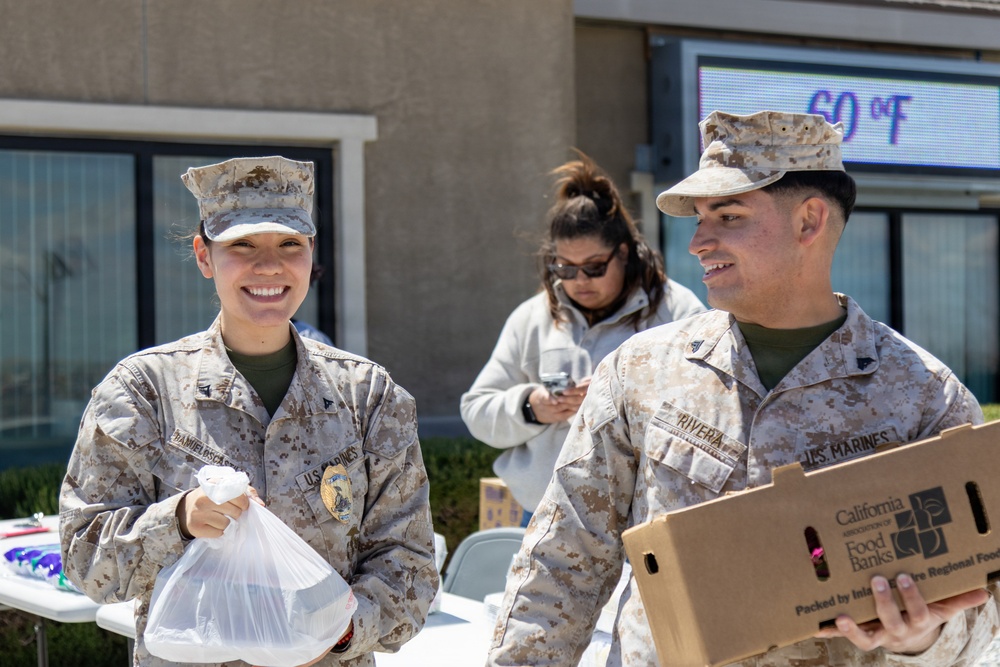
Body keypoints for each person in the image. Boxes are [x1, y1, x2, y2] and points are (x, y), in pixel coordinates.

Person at [487, 111, 1000, 666]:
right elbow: (562, 564)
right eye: (700, 219)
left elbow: (983, 616)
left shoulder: (926, 398)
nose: (698, 243)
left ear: (809, 221)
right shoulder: (641, 371)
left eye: (727, 216)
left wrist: (921, 639)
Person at [59, 156, 438, 667]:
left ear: (310, 255)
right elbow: (86, 558)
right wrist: (178, 520)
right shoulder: (142, 392)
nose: (269, 266)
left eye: (290, 245)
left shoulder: (368, 396)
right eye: (242, 245)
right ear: (203, 256)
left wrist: (341, 633)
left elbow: (408, 562)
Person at [460, 153, 705, 517]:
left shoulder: (677, 312)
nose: (579, 281)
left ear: (623, 253)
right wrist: (531, 407)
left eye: (593, 267)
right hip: (546, 514)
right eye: (565, 268)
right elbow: (475, 410)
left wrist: (625, 400)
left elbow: (709, 409)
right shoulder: (532, 317)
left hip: (645, 516)